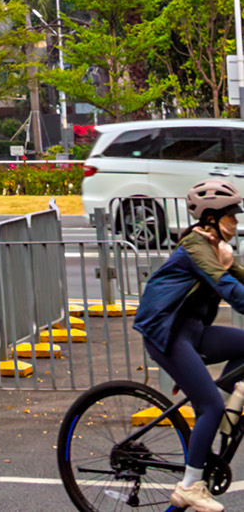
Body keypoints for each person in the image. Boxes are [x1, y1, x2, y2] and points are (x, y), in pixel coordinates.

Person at [134, 173, 244, 503]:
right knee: (209, 403)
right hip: (166, 335)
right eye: (231, 215)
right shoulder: (196, 247)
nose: (236, 222)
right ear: (211, 217)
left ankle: (220, 405)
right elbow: (231, 290)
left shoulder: (214, 248)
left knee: (216, 393)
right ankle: (190, 487)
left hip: (192, 333)